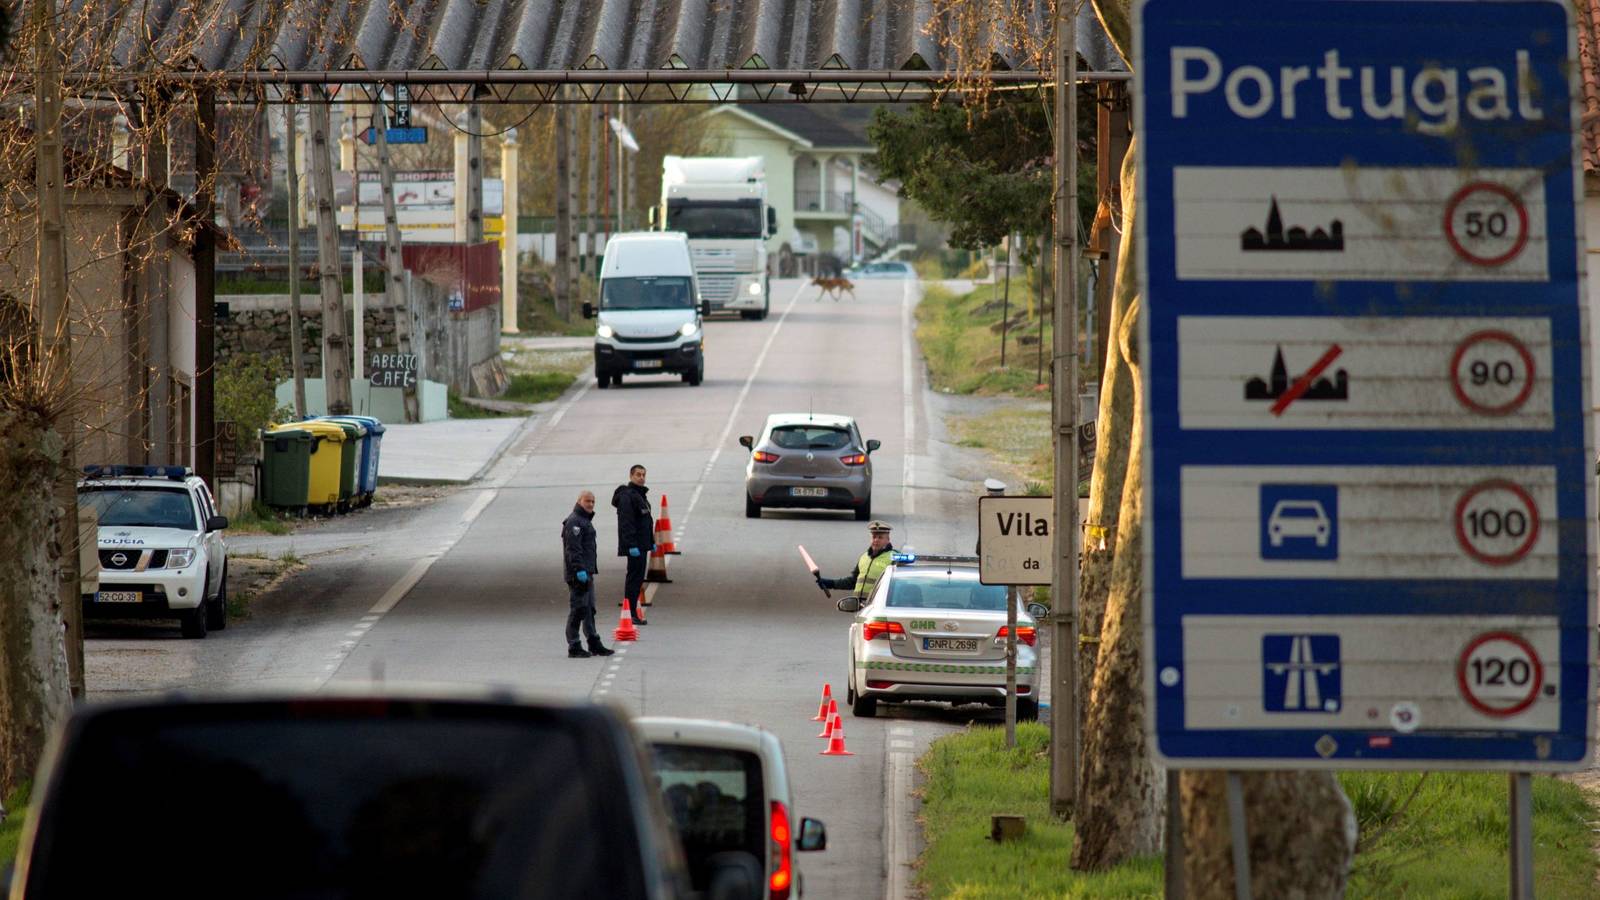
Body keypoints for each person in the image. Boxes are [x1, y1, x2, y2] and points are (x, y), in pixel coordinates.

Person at [562, 490, 613, 658]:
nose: (590, 504)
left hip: (587, 572)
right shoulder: (574, 522)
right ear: (579, 501)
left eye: (593, 501)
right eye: (587, 501)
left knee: (589, 609)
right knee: (578, 609)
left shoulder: (584, 521)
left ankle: (593, 642)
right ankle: (574, 645)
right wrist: (579, 570)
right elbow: (573, 550)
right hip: (578, 574)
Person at [612, 464, 654, 625]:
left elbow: (645, 522)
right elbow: (626, 523)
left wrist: (651, 542)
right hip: (635, 546)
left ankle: (632, 612)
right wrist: (631, 545)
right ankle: (630, 613)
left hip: (642, 544)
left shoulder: (639, 495)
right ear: (631, 476)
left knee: (637, 579)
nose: (641, 478)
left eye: (643, 475)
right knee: (634, 579)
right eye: (638, 475)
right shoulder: (627, 496)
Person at [816, 521, 895, 599]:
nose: (876, 540)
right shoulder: (865, 557)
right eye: (874, 537)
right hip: (859, 605)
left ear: (888, 540)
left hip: (877, 606)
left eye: (880, 537)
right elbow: (853, 581)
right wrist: (831, 583)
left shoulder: (894, 557)